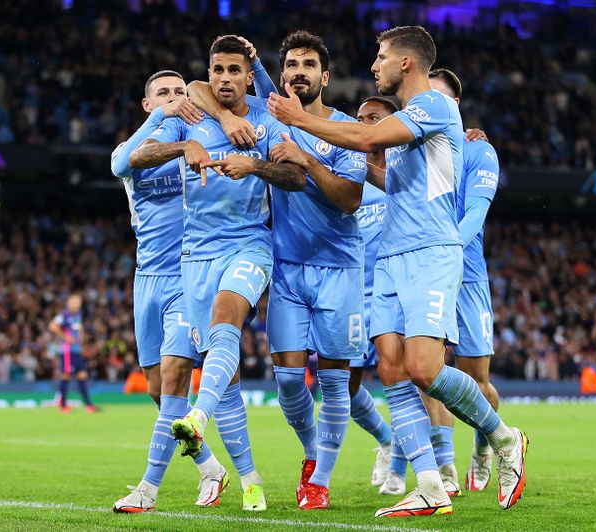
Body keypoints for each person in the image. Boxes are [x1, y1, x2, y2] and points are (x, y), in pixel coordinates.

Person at [268, 25, 527, 517]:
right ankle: (429, 482)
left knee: (425, 368)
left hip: (431, 252)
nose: (374, 65)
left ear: (407, 63)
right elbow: (387, 176)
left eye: (381, 56)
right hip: (388, 257)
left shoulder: (434, 106)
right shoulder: (412, 121)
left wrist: (299, 121)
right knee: (390, 369)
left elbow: (365, 136)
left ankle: (505, 437)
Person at [188, 31, 366, 511]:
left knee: (332, 381)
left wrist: (302, 158)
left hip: (340, 269)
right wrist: (228, 117)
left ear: (324, 77)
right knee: (288, 382)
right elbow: (197, 87)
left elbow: (350, 200)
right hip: (288, 267)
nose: (299, 72)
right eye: (291, 64)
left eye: (309, 64)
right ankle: (312, 452)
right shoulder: (270, 118)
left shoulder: (346, 128)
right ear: (280, 73)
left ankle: (320, 479)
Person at [129, 34, 306, 512]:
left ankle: (196, 419)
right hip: (194, 258)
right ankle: (249, 479)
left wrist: (255, 165)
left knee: (227, 317)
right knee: (221, 380)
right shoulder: (190, 114)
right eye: (217, 71)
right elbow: (137, 156)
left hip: (249, 246)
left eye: (234, 71)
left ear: (249, 76)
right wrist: (181, 147)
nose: (225, 79)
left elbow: (297, 176)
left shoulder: (266, 120)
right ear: (209, 75)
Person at [110, 70, 230, 513]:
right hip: (147, 282)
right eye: (164, 94)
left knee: (177, 378)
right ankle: (209, 468)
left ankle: (147, 490)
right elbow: (120, 164)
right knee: (160, 392)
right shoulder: (139, 152)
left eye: (181, 92)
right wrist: (165, 118)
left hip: (187, 279)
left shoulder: (198, 144)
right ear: (149, 105)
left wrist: (188, 135)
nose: (177, 99)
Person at [421, 68, 502, 496]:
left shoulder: (477, 151)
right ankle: (445, 465)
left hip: (466, 273)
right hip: (428, 270)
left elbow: (476, 213)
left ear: (454, 105)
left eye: (438, 98)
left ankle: (484, 447)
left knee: (476, 379)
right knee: (429, 372)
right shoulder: (417, 144)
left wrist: (448, 247)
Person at [353, 96, 412, 496]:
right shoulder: (350, 175)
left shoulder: (410, 174)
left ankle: (400, 470)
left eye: (374, 118)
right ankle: (385, 436)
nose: (365, 124)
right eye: (359, 119)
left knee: (401, 384)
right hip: (353, 298)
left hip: (396, 295)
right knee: (343, 387)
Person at [48, 293, 96, 414]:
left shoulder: (77, 315)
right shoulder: (64, 315)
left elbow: (79, 330)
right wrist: (65, 337)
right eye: (76, 302)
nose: (78, 305)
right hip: (67, 351)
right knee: (66, 376)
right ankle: (63, 405)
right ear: (70, 303)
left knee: (82, 375)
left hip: (77, 351)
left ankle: (89, 405)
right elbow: (52, 326)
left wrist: (82, 344)